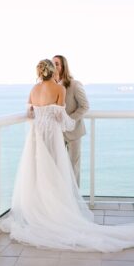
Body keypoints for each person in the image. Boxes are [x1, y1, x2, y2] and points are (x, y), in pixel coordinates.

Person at [0, 58, 134, 251]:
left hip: (35, 137)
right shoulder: (59, 89)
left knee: (38, 172)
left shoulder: (33, 89)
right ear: (52, 71)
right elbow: (62, 119)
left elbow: (30, 113)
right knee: (57, 171)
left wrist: (40, 114)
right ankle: (55, 211)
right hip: (53, 136)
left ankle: (39, 210)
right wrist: (67, 122)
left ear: (39, 72)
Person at [53, 54, 89, 185]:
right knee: (57, 166)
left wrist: (69, 120)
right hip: (57, 133)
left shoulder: (74, 85)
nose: (54, 66)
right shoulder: (51, 87)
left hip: (74, 131)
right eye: (52, 64)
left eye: (56, 64)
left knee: (74, 167)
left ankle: (74, 199)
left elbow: (85, 106)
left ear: (63, 67)